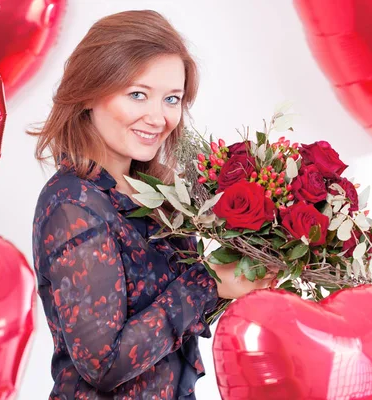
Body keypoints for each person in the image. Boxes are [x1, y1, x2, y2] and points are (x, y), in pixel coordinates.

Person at [30, 10, 272, 399]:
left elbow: (170, 322)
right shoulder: (74, 205)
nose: (158, 117)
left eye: (171, 99)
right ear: (91, 90)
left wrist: (248, 267)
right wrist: (208, 283)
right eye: (138, 94)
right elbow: (102, 365)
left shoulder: (151, 192)